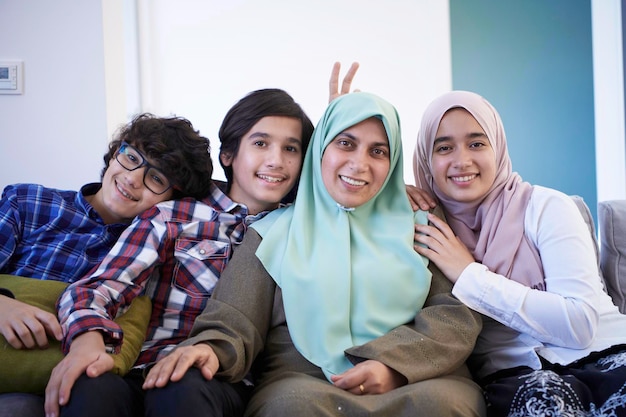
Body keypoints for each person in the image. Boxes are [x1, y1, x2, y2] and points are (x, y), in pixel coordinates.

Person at [143, 91, 486, 417]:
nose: (359, 164)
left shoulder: (422, 221)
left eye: (378, 152)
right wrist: (211, 348)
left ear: (393, 160)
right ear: (320, 149)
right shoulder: (271, 231)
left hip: (420, 378)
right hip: (306, 383)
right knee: (290, 408)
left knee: (444, 406)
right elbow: (235, 318)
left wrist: (394, 365)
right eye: (345, 143)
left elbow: (456, 313)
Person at [43, 88, 315, 417]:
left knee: (179, 388)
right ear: (228, 154)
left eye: (291, 148)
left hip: (216, 378)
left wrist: (339, 134)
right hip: (139, 365)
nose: (276, 160)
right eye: (261, 143)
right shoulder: (174, 216)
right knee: (88, 385)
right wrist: (87, 342)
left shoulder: (302, 227)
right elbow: (100, 287)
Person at [412, 90, 626, 417]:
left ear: (497, 147)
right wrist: (388, 194)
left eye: (476, 143)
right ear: (426, 160)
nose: (461, 160)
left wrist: (469, 275)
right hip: (517, 376)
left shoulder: (546, 207)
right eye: (443, 147)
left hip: (606, 353)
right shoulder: (430, 229)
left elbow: (579, 324)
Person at [0, 113, 214, 417]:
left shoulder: (152, 249)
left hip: (63, 385)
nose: (133, 178)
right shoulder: (29, 202)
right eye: (131, 157)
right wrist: (4, 306)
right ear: (115, 153)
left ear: (172, 199)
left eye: (156, 178)